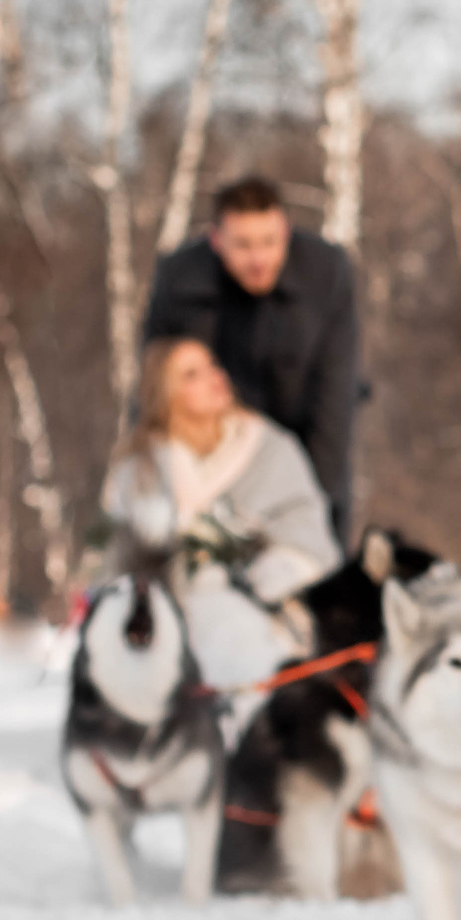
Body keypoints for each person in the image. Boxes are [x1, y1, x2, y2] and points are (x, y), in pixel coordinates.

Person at [104, 337, 342, 688]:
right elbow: (114, 557)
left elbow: (308, 527)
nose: (216, 377)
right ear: (165, 393)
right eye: (191, 375)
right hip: (167, 629)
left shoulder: (271, 448)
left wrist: (285, 564)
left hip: (269, 611)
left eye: (213, 365)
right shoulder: (138, 469)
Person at [143, 174, 363, 546]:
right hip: (212, 453)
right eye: (243, 245)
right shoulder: (179, 280)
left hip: (305, 437)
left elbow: (335, 398)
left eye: (269, 242)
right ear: (216, 240)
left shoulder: (327, 272)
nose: (259, 259)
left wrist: (316, 508)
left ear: (286, 232)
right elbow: (157, 389)